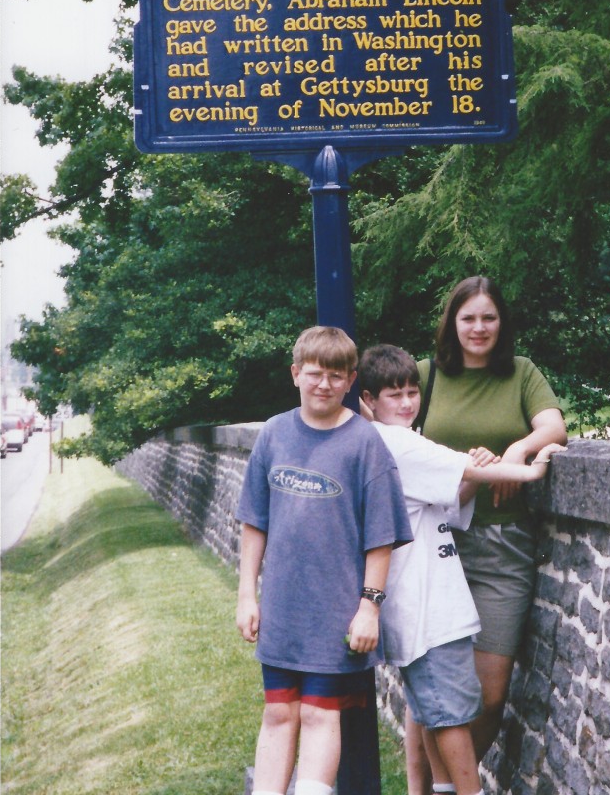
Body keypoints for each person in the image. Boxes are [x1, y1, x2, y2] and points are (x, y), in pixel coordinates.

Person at [359, 344, 561, 795]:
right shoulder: (398, 443)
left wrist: (471, 473)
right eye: (394, 395)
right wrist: (532, 465)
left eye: (413, 392)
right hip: (428, 614)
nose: (408, 402)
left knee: (435, 714)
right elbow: (493, 473)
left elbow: (446, 505)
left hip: (427, 609)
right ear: (369, 400)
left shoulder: (383, 445)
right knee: (450, 716)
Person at [235, 326, 413, 795]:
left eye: (337, 375)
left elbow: (381, 539)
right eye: (315, 374)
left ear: (351, 380)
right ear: (296, 374)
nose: (324, 384)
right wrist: (246, 597)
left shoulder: (365, 443)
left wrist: (369, 608)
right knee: (277, 711)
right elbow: (255, 523)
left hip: (337, 611)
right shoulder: (274, 434)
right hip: (282, 608)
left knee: (318, 713)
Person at [412, 276, 567, 787]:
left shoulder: (521, 374)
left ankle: (450, 785)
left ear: (502, 323)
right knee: (435, 688)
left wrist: (518, 450)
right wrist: (466, 469)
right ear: (451, 324)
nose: (479, 328)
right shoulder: (424, 376)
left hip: (505, 547)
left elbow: (553, 427)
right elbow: (385, 440)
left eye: (489, 317)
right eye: (468, 318)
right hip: (436, 546)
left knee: (490, 694)